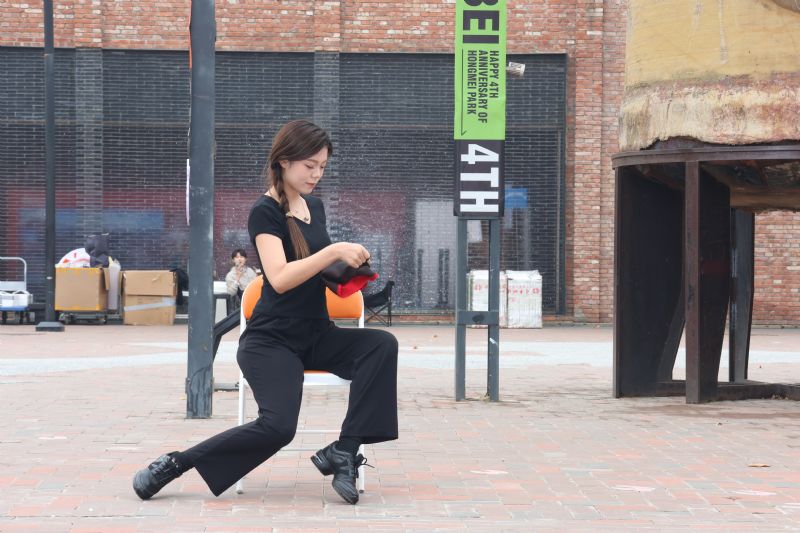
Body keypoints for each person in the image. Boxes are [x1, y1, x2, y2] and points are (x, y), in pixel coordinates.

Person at [132, 119, 398, 505]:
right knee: (278, 428)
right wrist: (333, 250)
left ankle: (344, 449)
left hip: (316, 334)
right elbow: (280, 277)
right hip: (271, 340)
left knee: (381, 345)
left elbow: (315, 269)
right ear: (284, 161)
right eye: (310, 165)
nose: (317, 174)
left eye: (323, 166)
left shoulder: (315, 207)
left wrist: (349, 268)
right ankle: (176, 463)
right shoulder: (265, 211)